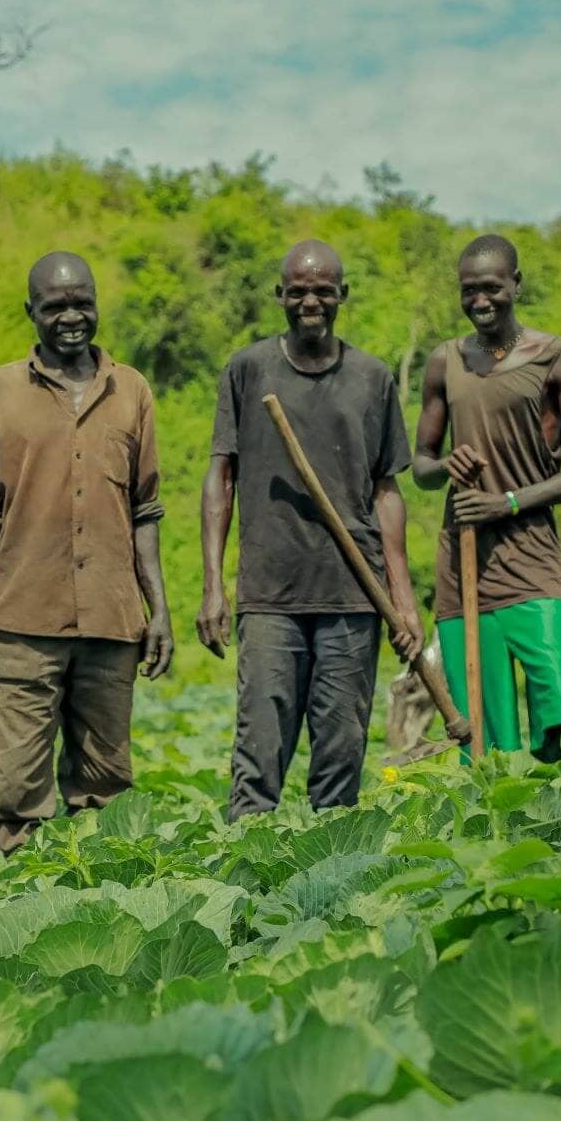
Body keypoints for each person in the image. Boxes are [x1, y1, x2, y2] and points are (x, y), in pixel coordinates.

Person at [0, 252, 173, 853]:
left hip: (111, 620)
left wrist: (161, 612)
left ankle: (96, 899)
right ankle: (16, 904)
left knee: (106, 786)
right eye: (55, 306)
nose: (71, 316)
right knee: (15, 792)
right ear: (32, 312)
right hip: (24, 621)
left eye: (82, 303)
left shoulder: (133, 392)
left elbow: (144, 511)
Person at [199, 239, 424, 819]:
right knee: (258, 755)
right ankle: (248, 890)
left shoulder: (373, 378)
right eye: (298, 291)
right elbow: (220, 477)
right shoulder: (248, 370)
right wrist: (212, 587)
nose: (311, 301)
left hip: (353, 598)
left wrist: (403, 599)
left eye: (323, 290)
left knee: (342, 756)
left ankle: (333, 884)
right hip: (270, 597)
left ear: (342, 295)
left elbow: (386, 493)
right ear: (280, 295)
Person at [411, 234, 561, 762]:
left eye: (493, 287)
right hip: (464, 564)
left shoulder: (555, 358)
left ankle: (559, 827)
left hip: (532, 558)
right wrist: (444, 466)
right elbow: (421, 466)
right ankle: (495, 835)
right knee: (483, 733)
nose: (481, 300)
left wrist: (512, 502)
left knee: (557, 705)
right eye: (469, 289)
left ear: (515, 285)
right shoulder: (444, 362)